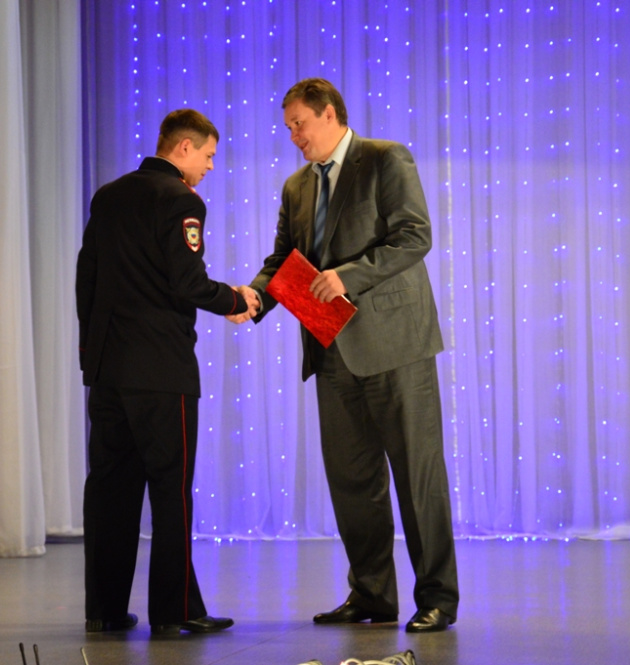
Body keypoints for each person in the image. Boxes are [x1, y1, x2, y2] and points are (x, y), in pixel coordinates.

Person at [231, 78, 458, 632]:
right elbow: (284, 260)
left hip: (396, 346)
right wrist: (253, 298)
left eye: (299, 124)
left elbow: (414, 236)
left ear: (329, 114)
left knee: (417, 476)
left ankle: (437, 598)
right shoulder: (296, 186)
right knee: (353, 482)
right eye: (288, 127)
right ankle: (372, 596)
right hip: (330, 349)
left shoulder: (384, 159)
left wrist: (348, 277)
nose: (293, 135)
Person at [76, 108, 256, 636]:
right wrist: (236, 300)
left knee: (109, 492)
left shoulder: (108, 196)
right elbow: (187, 282)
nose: (209, 167)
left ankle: (105, 610)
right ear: (183, 148)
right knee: (170, 492)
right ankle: (175, 611)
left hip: (108, 371)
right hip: (161, 372)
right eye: (208, 156)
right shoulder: (182, 200)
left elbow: (87, 280)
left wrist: (92, 357)